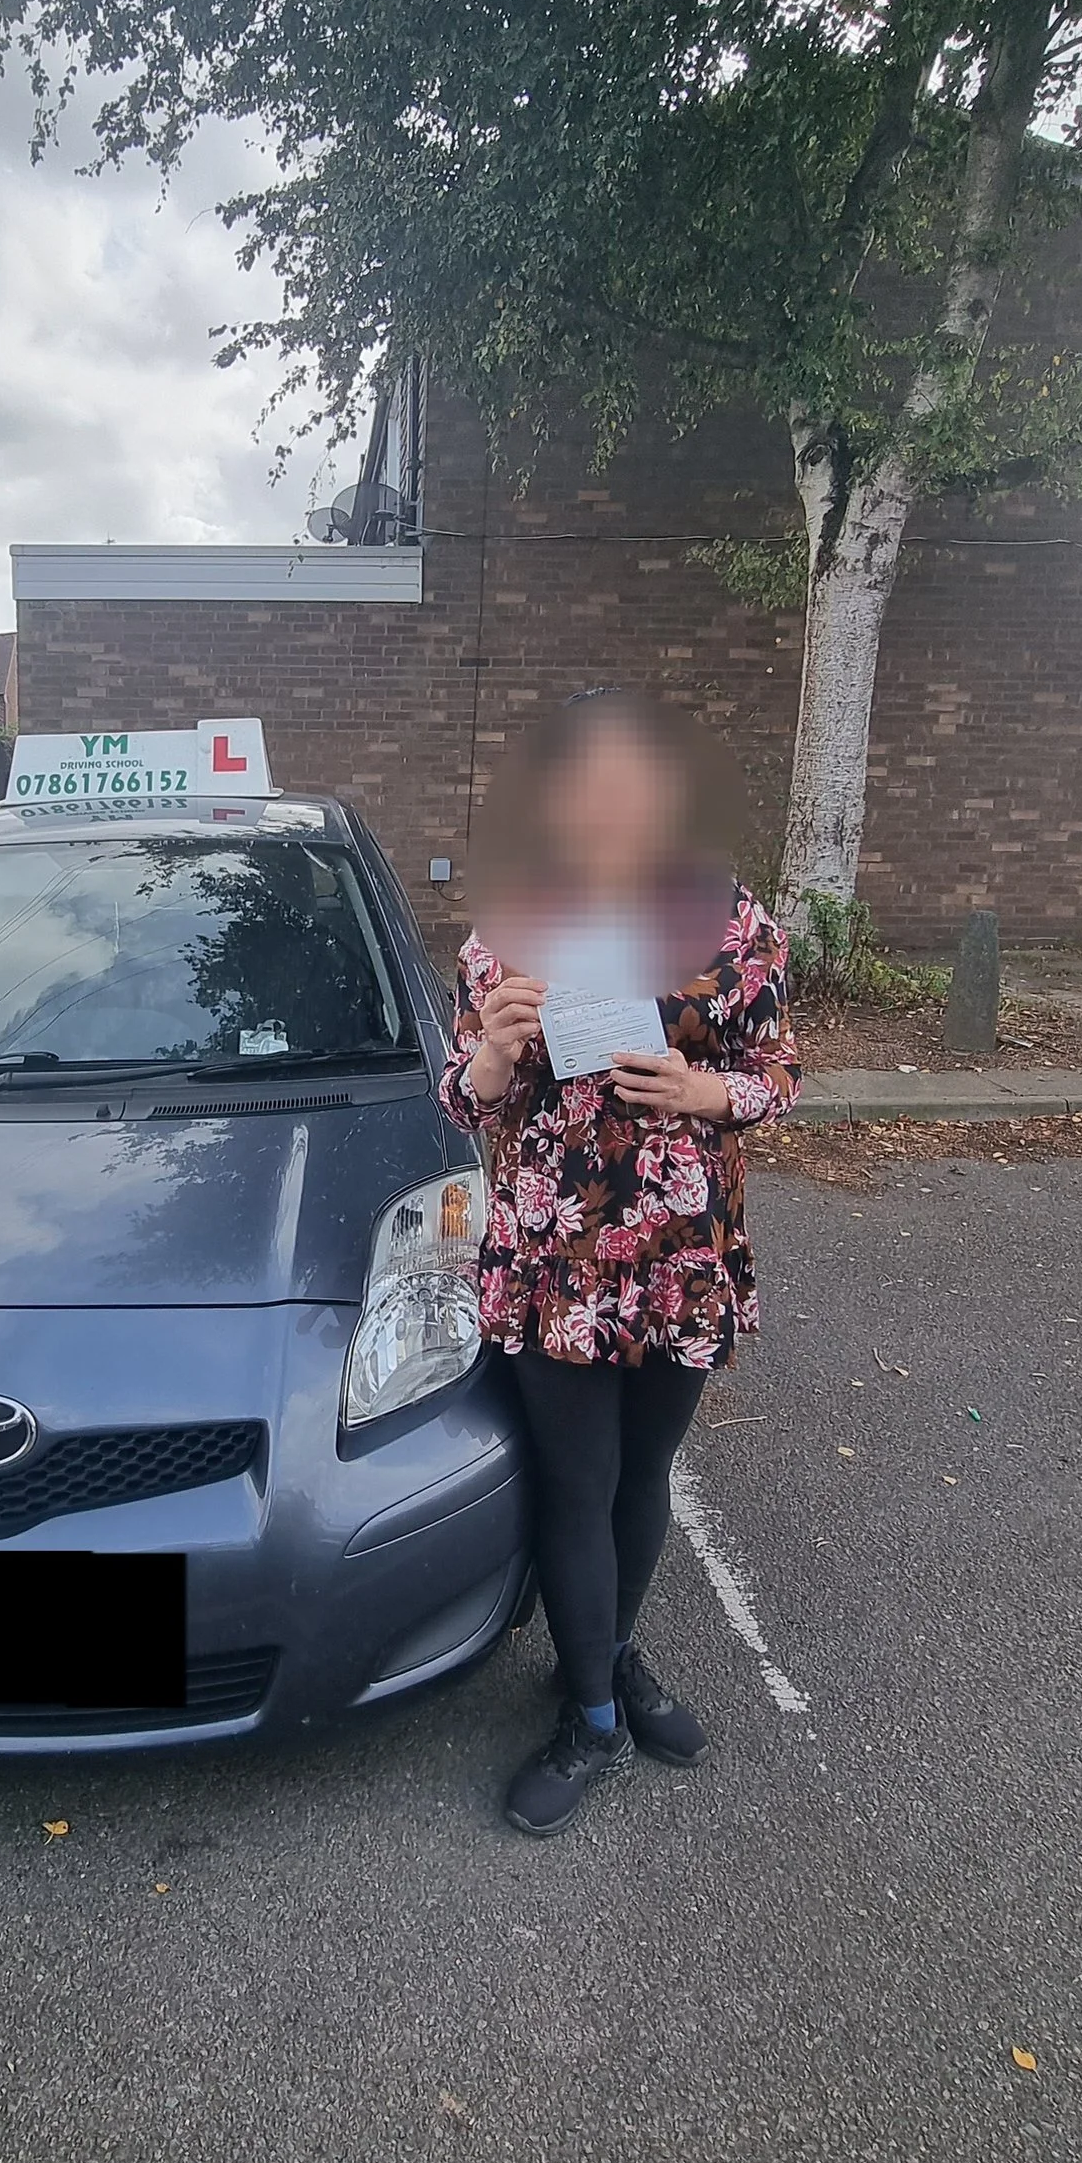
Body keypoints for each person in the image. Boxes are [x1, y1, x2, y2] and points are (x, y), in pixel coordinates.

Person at [436, 691, 799, 1837]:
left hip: (681, 1253)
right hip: (557, 1253)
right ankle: (591, 1716)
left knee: (643, 1480)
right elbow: (460, 1100)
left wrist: (707, 1091)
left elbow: (779, 1074)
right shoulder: (506, 934)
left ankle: (603, 1655)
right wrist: (492, 1052)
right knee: (577, 1484)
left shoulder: (734, 926)